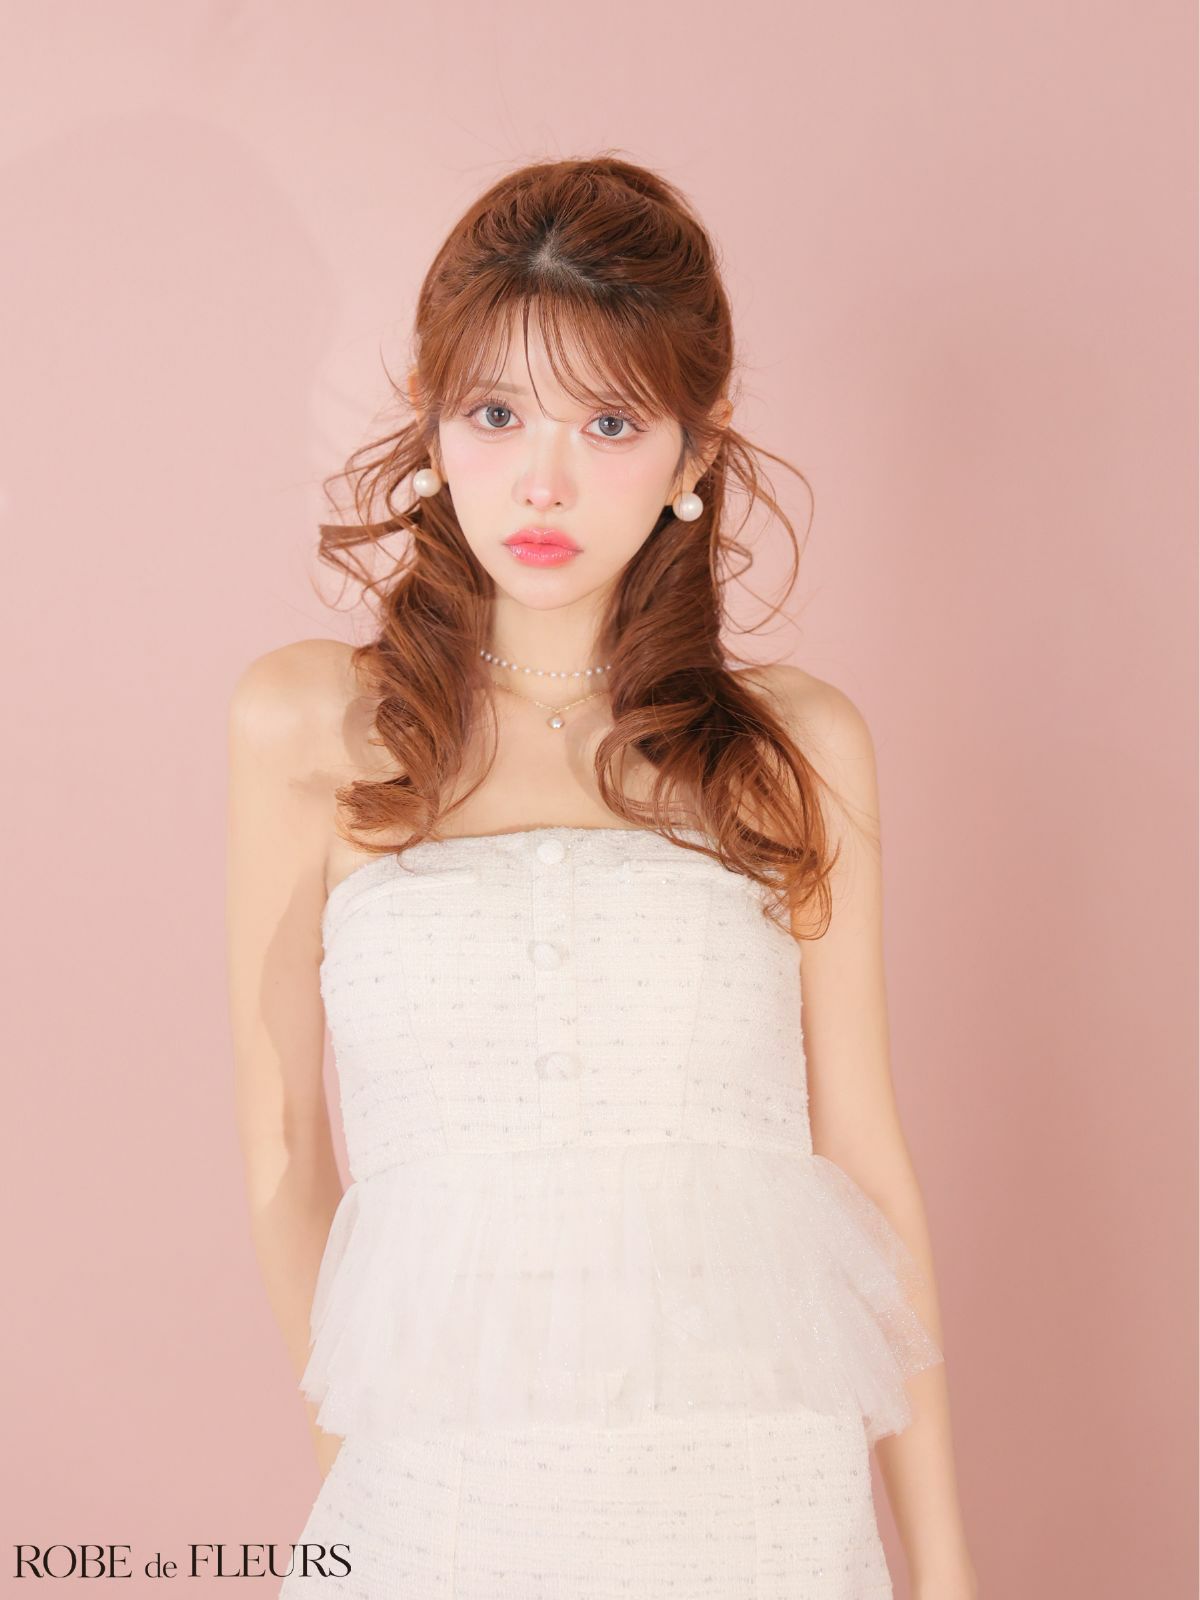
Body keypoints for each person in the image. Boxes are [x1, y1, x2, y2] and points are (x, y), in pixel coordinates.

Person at [226, 155, 977, 1599]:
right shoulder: (308, 723)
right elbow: (279, 1140)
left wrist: (944, 1570)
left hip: (756, 1496)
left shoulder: (794, 749)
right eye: (497, 413)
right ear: (434, 423)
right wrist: (362, 1462)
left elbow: (864, 1156)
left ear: (696, 453)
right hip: (442, 1489)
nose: (544, 481)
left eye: (612, 422)